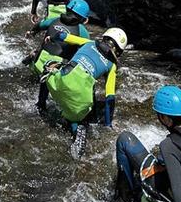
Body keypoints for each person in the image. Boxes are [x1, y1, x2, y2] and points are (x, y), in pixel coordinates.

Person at [41, 27, 128, 157]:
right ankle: (77, 128)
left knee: (49, 66)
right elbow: (110, 97)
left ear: (104, 38)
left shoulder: (88, 42)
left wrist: (51, 38)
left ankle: (41, 105)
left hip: (59, 84)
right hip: (80, 99)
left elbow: (62, 35)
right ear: (118, 51)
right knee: (76, 114)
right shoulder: (112, 65)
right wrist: (108, 124)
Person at [30, 0, 91, 112]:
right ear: (84, 19)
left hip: (40, 60)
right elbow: (88, 49)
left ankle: (40, 103)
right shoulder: (81, 30)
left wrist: (32, 32)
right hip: (56, 67)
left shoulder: (55, 19)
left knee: (45, 67)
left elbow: (39, 25)